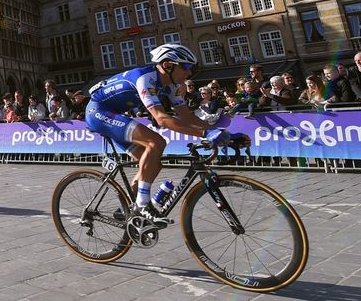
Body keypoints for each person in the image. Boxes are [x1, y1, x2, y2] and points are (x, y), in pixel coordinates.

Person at [85, 44, 243, 226]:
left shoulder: (172, 85)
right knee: (156, 142)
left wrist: (226, 135)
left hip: (115, 114)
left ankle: (127, 210)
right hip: (98, 112)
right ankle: (143, 205)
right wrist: (206, 133)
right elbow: (162, 119)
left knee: (153, 163)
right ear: (168, 65)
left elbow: (188, 117)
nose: (189, 73)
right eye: (186, 67)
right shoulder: (145, 79)